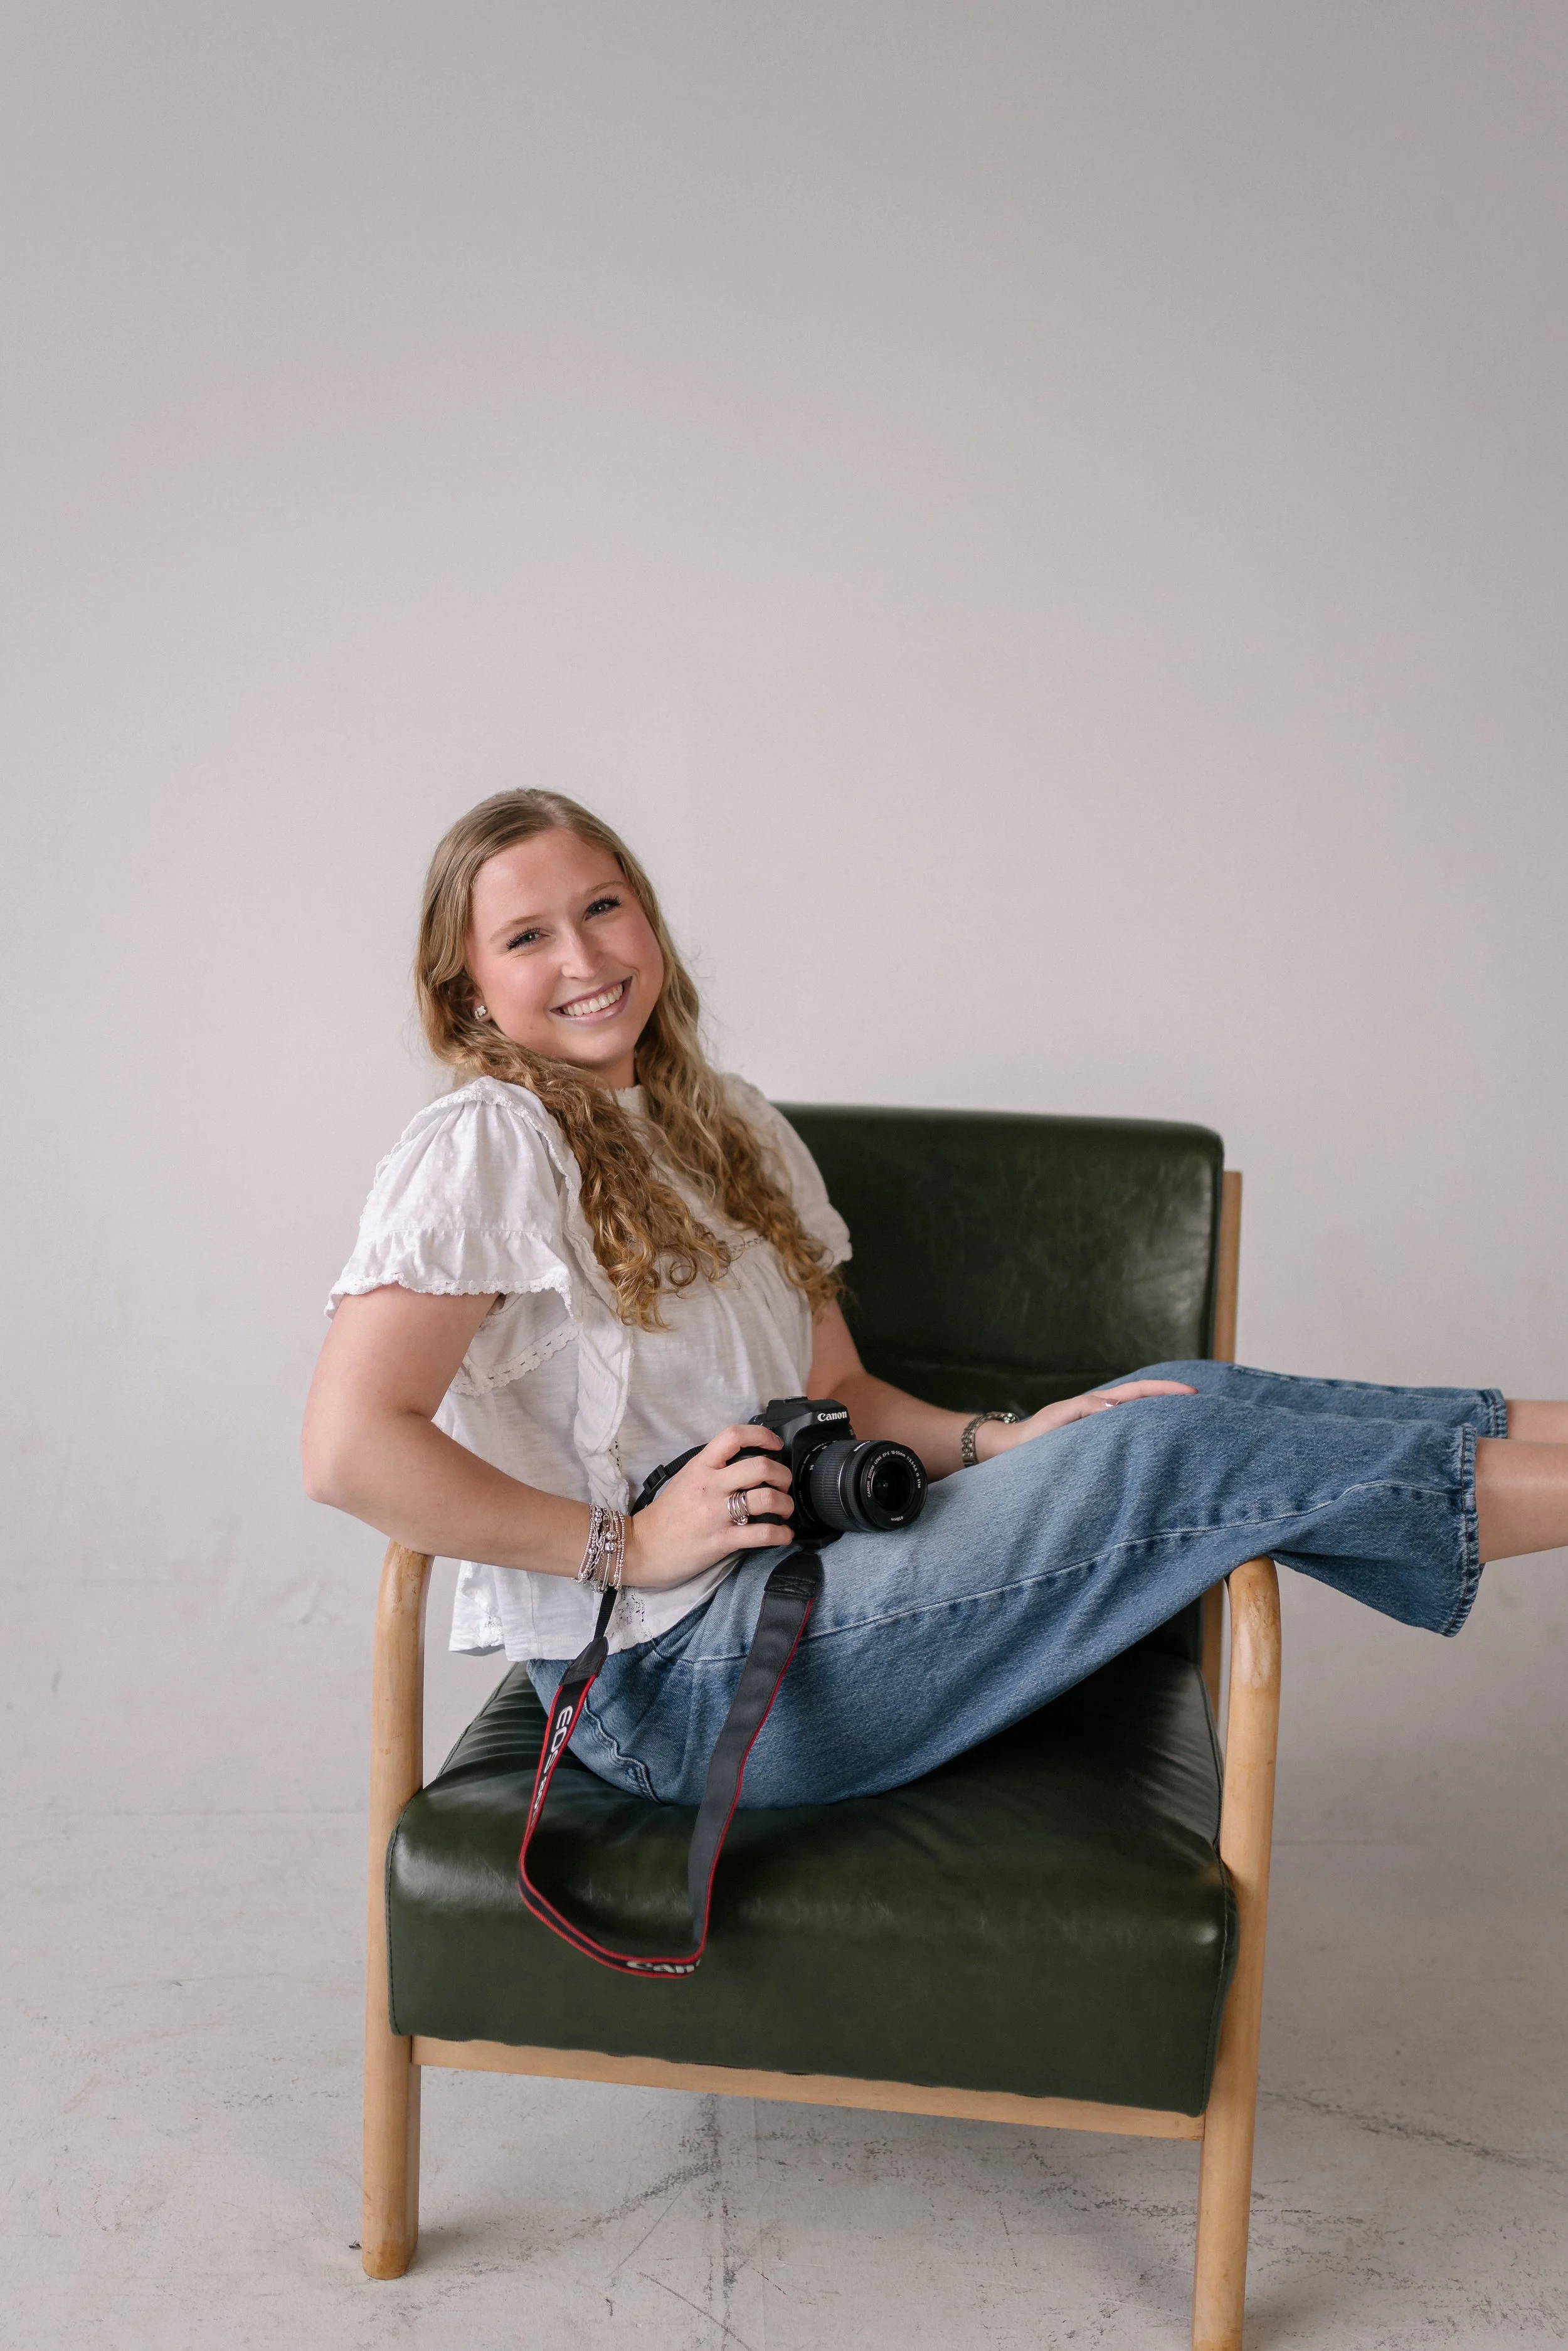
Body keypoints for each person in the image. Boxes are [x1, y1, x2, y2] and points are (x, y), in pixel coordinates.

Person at [303, 789, 1568, 1810]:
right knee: (1167, 1442)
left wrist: (1001, 1442)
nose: (582, 957)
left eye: (603, 906)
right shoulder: (487, 1141)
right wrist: (624, 1544)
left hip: (812, 1584)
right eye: (527, 936)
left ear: (649, 921)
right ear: (466, 986)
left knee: (1172, 1397)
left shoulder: (730, 1124)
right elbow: (349, 1447)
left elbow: (843, 1394)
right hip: (676, 1685)